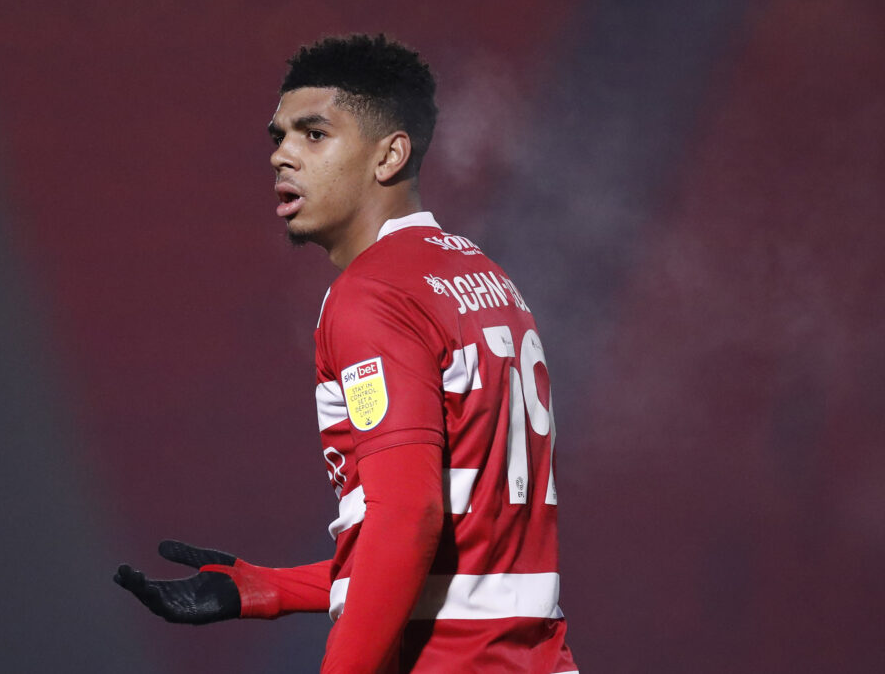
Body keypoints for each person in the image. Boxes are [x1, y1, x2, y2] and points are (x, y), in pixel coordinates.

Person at [114, 34, 578, 673]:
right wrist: (270, 589)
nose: (281, 156)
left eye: (313, 135)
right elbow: (462, 532)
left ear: (389, 155)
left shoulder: (371, 297)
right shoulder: (483, 279)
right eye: (278, 137)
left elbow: (407, 517)